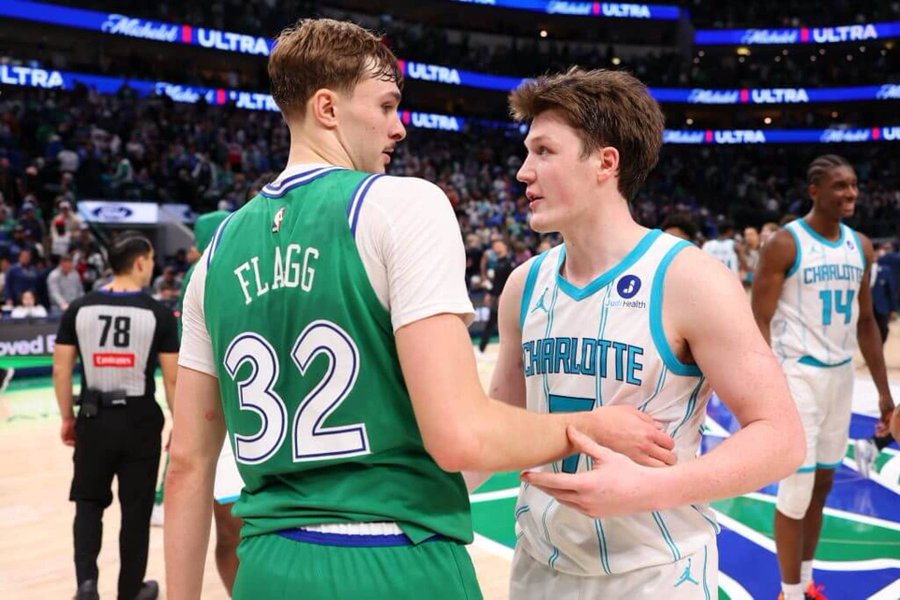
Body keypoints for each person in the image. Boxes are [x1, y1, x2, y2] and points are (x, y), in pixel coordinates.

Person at [164, 19, 675, 600]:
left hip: (266, 566)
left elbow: (187, 464)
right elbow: (458, 436)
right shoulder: (402, 205)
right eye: (386, 106)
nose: (399, 127)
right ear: (327, 108)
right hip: (393, 557)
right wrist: (584, 426)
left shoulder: (216, 253)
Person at [487, 68, 803, 599]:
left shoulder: (690, 278)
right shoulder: (524, 284)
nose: (523, 172)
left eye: (544, 151)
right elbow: (497, 431)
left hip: (657, 575)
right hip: (538, 568)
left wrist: (652, 487)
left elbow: (781, 437)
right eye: (527, 152)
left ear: (605, 162)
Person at [751, 154, 895, 600]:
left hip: (840, 378)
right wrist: (763, 390)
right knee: (796, 489)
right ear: (814, 191)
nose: (851, 193)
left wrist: (885, 394)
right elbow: (758, 320)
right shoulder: (785, 244)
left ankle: (806, 582)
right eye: (839, 185)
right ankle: (788, 593)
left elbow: (866, 321)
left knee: (823, 485)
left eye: (853, 184)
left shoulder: (861, 246)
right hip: (797, 377)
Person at [53, 233, 178, 600]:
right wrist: (179, 423)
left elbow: (61, 370)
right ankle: (130, 591)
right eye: (151, 260)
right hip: (140, 421)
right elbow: (172, 378)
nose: (152, 266)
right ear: (139, 262)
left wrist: (67, 417)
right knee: (136, 512)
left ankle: (87, 586)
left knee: (88, 503)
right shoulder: (157, 313)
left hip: (94, 417)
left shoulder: (79, 308)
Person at [478, 238, 515, 353]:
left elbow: (510, 281)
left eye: (498, 245)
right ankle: (481, 348)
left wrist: (503, 294)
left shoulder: (508, 263)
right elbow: (495, 282)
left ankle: (512, 349)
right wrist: (489, 294)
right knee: (491, 323)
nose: (495, 247)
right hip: (496, 297)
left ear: (505, 247)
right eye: (494, 246)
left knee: (507, 325)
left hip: (504, 298)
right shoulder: (497, 263)